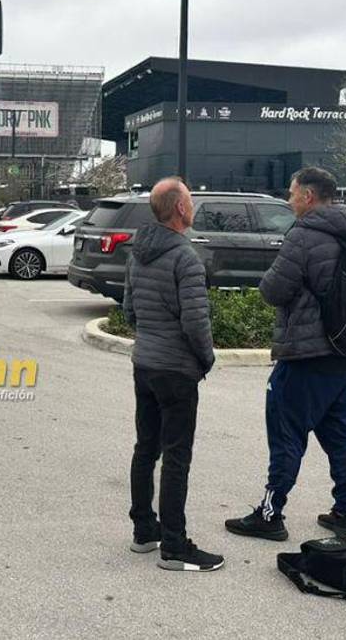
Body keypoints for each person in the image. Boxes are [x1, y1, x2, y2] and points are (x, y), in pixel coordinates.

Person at [224, 166, 346, 542]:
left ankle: (271, 515)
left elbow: (273, 290)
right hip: (344, 351)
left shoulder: (304, 236)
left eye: (291, 193)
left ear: (307, 196)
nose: (288, 200)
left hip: (305, 352)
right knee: (338, 431)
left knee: (286, 433)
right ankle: (344, 511)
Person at [122, 176, 222, 573]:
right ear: (180, 209)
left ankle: (144, 530)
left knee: (146, 448)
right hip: (176, 370)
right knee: (177, 456)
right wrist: (206, 358)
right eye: (191, 199)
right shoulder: (185, 257)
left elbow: (129, 310)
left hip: (144, 363)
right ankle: (175, 546)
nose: (193, 205)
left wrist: (149, 335)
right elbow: (196, 323)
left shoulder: (138, 253)